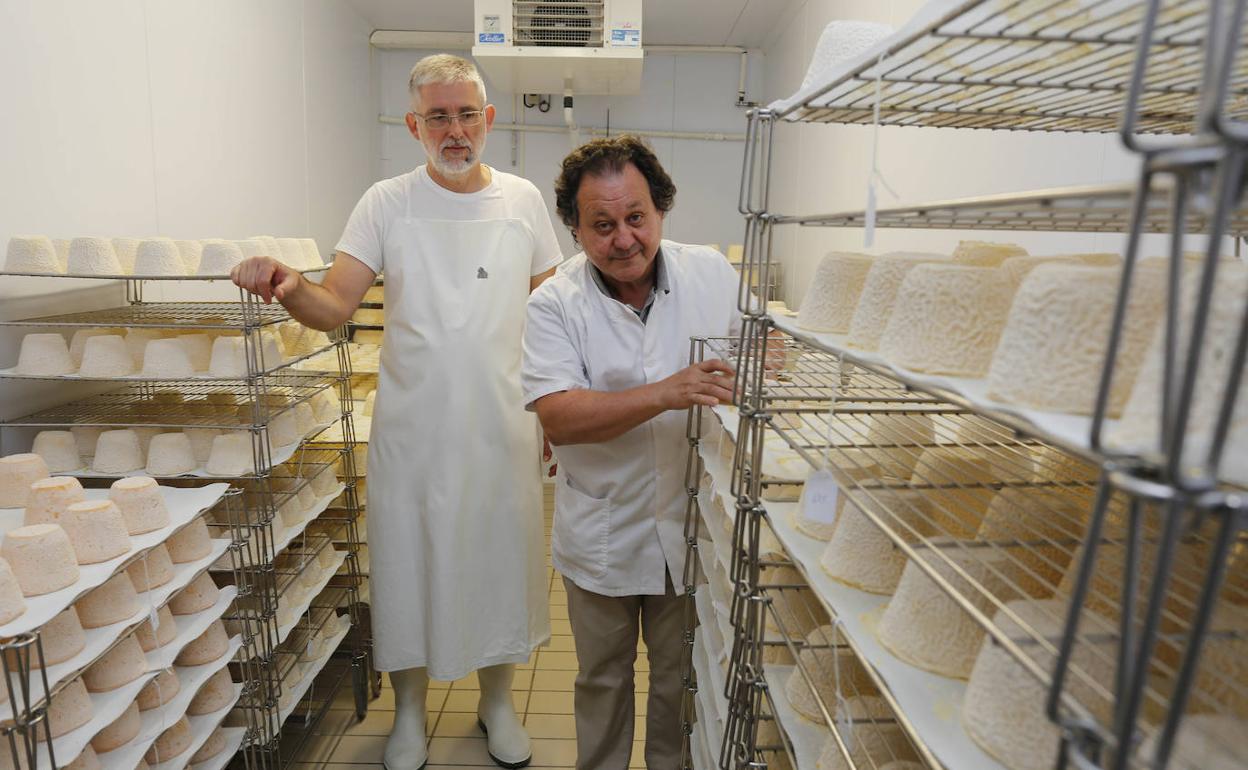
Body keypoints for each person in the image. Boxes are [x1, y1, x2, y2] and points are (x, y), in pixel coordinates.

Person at [231, 54, 561, 770]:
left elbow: (555, 314)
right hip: (413, 426)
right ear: (414, 125)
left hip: (504, 423)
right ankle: (408, 710)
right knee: (410, 562)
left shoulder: (523, 201)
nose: (454, 129)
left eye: (466, 113)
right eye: (437, 116)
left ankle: (496, 702)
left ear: (489, 120)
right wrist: (289, 285)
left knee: (501, 559)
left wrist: (559, 412)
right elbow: (335, 306)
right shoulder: (386, 201)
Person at [521, 136, 741, 770]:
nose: (623, 239)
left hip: (691, 524)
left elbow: (757, 348)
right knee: (604, 682)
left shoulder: (709, 274)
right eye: (602, 224)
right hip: (604, 533)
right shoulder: (554, 303)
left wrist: (765, 361)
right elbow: (559, 416)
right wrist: (669, 392)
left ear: (660, 209)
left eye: (636, 217)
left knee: (680, 682)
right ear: (574, 229)